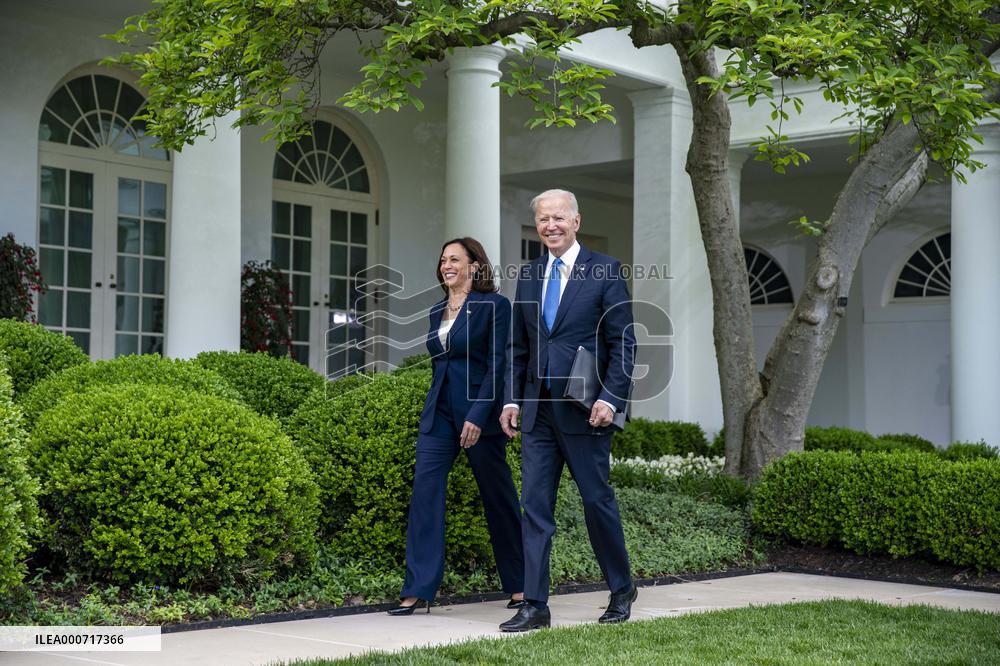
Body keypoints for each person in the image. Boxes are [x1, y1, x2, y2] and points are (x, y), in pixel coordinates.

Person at [499, 189, 637, 631]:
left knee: (596, 502)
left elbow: (623, 343)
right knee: (534, 507)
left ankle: (621, 588)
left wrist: (611, 398)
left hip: (586, 409)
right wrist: (511, 398)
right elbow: (518, 345)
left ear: (576, 221)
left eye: (558, 217)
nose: (550, 226)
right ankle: (535, 605)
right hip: (538, 411)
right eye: (543, 219)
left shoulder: (606, 270)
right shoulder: (529, 273)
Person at [388, 237, 525, 615]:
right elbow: (440, 365)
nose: (446, 265)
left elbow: (499, 363)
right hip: (439, 415)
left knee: (498, 498)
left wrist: (478, 415)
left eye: (454, 259)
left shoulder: (494, 306)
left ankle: (520, 585)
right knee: (425, 496)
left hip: (477, 415)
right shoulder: (436, 311)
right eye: (443, 259)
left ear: (475, 266)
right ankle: (417, 589)